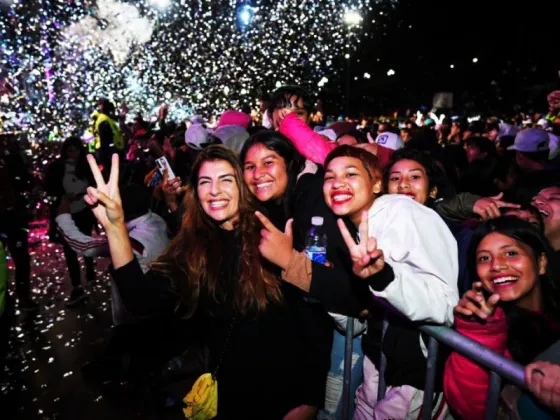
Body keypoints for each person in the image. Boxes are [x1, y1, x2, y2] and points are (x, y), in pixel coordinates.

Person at [83, 148, 324, 419]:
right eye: (204, 182)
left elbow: (310, 316)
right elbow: (141, 299)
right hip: (232, 396)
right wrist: (115, 227)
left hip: (288, 393)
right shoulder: (192, 248)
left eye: (225, 180)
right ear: (195, 192)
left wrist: (310, 398)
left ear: (242, 186)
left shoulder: (272, 232)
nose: (214, 190)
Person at [256, 145, 459, 418]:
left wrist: (382, 276)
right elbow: (357, 322)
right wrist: (327, 282)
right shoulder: (356, 227)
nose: (337, 182)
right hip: (378, 366)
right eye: (329, 177)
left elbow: (445, 305)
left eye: (350, 174)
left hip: (416, 376)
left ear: (376, 184)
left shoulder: (401, 211)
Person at [444, 217, 560, 419]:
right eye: (484, 258)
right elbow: (471, 408)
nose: (496, 266)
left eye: (511, 253)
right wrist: (479, 333)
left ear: (541, 263)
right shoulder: (489, 327)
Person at [45, 137, 97, 306]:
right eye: (70, 150)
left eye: (76, 150)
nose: (73, 154)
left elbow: (94, 185)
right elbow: (50, 188)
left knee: (86, 243)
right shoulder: (58, 168)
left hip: (84, 210)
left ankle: (90, 272)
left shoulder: (85, 167)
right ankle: (77, 285)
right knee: (70, 250)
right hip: (67, 211)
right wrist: (64, 197)